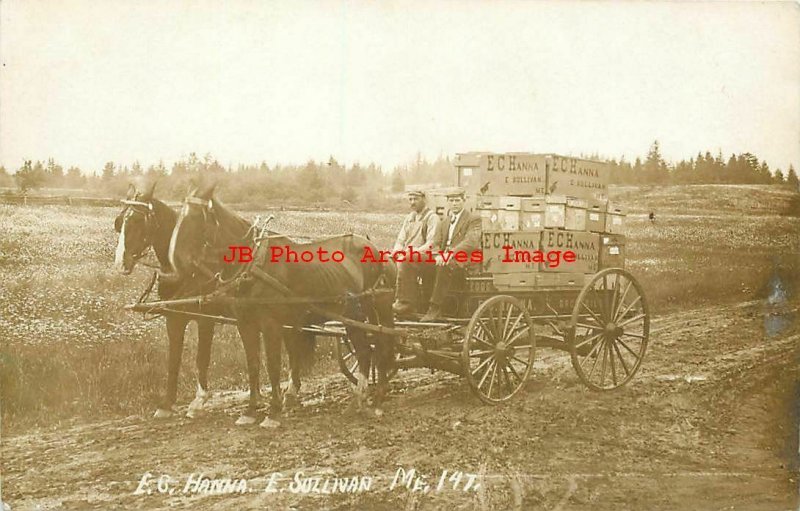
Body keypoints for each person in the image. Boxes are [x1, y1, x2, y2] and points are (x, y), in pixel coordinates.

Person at [421, 188, 481, 322]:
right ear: (448, 202)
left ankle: (435, 308)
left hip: (464, 260)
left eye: (457, 200)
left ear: (464, 201)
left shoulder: (473, 219)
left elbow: (471, 242)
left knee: (444, 266)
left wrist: (449, 254)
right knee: (419, 262)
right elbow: (435, 241)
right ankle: (416, 302)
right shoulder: (445, 222)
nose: (454, 203)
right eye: (451, 201)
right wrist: (428, 253)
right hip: (445, 258)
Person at [391, 190, 441, 316]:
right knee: (386, 259)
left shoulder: (432, 218)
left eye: (416, 199)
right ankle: (390, 298)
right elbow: (400, 240)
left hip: (429, 256)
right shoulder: (409, 218)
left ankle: (406, 302)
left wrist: (411, 252)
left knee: (406, 259)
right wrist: (396, 252)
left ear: (424, 199)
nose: (413, 202)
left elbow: (432, 243)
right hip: (411, 255)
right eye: (411, 199)